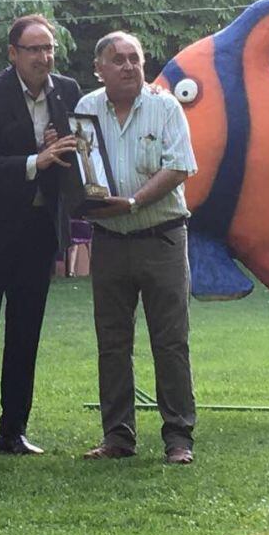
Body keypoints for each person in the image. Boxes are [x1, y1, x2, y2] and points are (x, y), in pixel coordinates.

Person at [0, 14, 80, 460]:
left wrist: (64, 153)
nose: (44, 57)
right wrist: (35, 160)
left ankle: (13, 431)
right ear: (13, 54)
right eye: (35, 49)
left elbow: (77, 152)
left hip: (38, 233)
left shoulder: (67, 91)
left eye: (49, 50)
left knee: (25, 334)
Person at [77, 31, 198, 465]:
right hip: (109, 241)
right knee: (112, 343)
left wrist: (131, 202)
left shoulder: (165, 106)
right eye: (118, 59)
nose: (129, 66)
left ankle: (179, 439)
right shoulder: (85, 110)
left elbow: (181, 165)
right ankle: (118, 438)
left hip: (161, 237)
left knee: (170, 342)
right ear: (99, 68)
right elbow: (81, 169)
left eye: (135, 58)